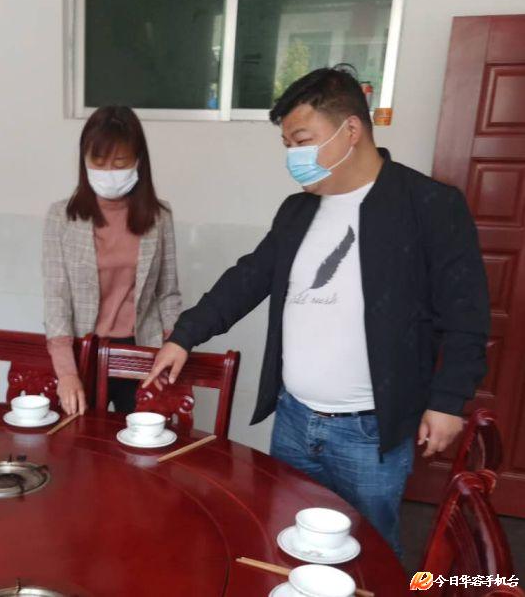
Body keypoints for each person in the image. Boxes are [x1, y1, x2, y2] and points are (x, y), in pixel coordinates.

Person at [143, 67, 489, 556]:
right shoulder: (298, 210)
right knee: (292, 544)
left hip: (369, 431)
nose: (294, 157)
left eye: (302, 141)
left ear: (351, 129)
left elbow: (466, 314)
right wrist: (185, 335)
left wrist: (448, 400)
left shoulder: (428, 205)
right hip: (294, 419)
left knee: (368, 554)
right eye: (287, 145)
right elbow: (248, 278)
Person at [43, 106, 181, 416]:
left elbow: (168, 294)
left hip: (141, 352)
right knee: (80, 438)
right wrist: (66, 373)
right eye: (98, 162)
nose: (109, 172)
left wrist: (173, 346)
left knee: (141, 439)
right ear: (84, 161)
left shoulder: (159, 217)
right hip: (84, 351)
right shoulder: (61, 217)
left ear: (138, 161)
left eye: (120, 163)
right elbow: (56, 298)